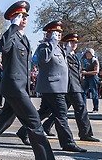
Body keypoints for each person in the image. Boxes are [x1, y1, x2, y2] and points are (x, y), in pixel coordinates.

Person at [0, 0, 66, 160]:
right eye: (19, 16)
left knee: (4, 121)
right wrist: (13, 27)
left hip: (19, 87)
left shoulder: (23, 38)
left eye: (25, 16)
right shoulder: (12, 35)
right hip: (14, 88)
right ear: (13, 19)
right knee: (35, 124)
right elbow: (3, 47)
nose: (23, 19)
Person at [16, 21, 86, 152]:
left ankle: (23, 131)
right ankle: (67, 143)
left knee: (43, 112)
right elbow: (44, 59)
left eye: (59, 33)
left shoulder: (59, 48)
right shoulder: (44, 46)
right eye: (55, 32)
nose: (58, 35)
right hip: (51, 87)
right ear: (48, 33)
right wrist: (53, 41)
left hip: (59, 87)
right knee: (61, 115)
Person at [41, 33, 99, 142]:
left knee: (62, 112)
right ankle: (85, 133)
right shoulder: (64, 54)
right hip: (68, 86)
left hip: (74, 86)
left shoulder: (74, 56)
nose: (74, 44)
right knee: (78, 109)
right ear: (67, 43)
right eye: (71, 42)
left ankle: (46, 126)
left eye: (75, 43)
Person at [81, 48, 99, 112]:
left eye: (88, 53)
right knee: (83, 92)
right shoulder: (86, 60)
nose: (87, 54)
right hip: (86, 77)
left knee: (94, 93)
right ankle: (83, 107)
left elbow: (96, 71)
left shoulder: (94, 60)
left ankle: (95, 108)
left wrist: (86, 73)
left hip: (93, 78)